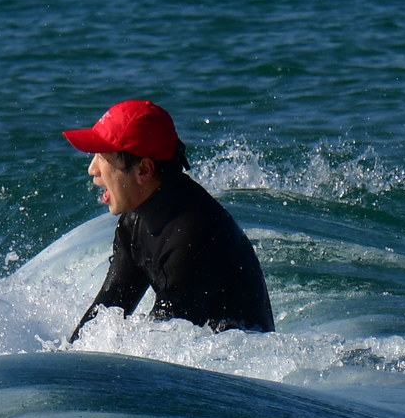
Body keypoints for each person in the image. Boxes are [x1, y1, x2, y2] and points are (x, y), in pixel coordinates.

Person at [62, 100, 274, 343]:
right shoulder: (134, 224)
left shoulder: (194, 234)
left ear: (144, 170)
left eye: (103, 156)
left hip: (240, 370)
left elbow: (159, 346)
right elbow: (108, 309)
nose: (92, 169)